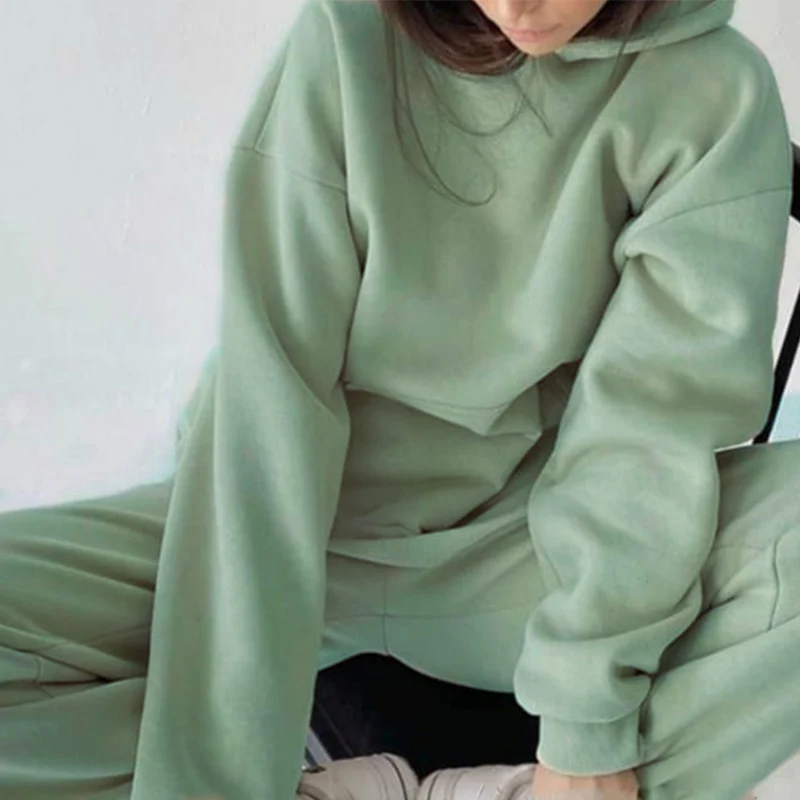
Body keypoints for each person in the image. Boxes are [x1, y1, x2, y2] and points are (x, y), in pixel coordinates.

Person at [0, 0, 797, 798]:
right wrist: (219, 772)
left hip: (516, 547)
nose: (515, 6)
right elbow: (269, 400)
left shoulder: (713, 94)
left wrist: (585, 729)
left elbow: (644, 429)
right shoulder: (349, 38)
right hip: (296, 522)